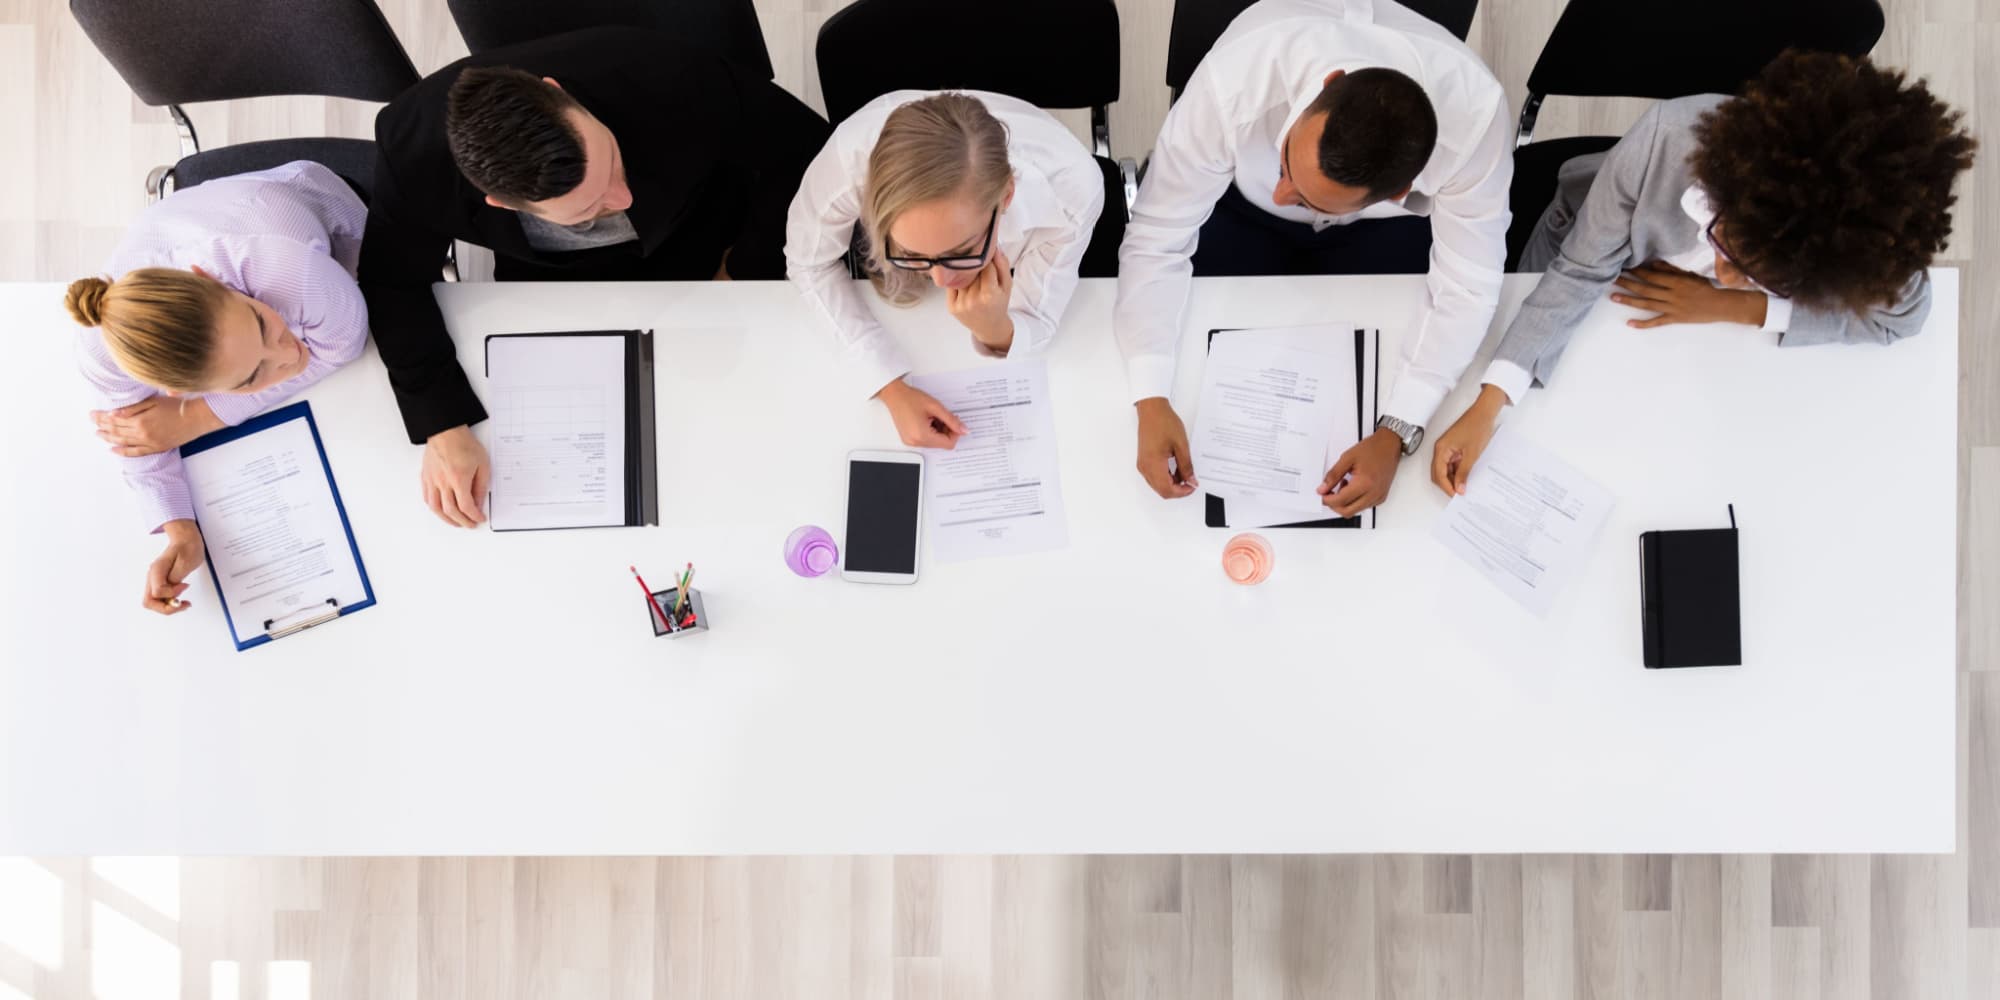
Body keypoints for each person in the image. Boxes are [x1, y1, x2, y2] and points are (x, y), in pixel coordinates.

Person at [1429, 51, 1977, 496]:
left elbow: (1905, 318)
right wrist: (1489, 401)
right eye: (1723, 242)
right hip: (1591, 247)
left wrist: (1736, 306)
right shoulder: (1666, 140)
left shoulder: (1863, 251)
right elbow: (1576, 271)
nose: (1720, 272)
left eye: (1759, 275)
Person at [359, 28, 830, 527]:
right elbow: (391, 280)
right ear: (497, 202)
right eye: (589, 207)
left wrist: (742, 268)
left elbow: (807, 155)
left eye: (611, 163)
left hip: (699, 238)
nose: (622, 200)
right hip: (551, 281)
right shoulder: (411, 155)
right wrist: (442, 423)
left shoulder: (674, 74)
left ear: (558, 93)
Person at [1115, 0, 1510, 515]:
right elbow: (1157, 236)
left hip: (1381, 235)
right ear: (1328, 83)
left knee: (1383, 354)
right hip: (1237, 208)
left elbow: (1468, 287)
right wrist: (1149, 396)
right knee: (1196, 357)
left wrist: (1396, 428)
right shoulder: (1237, 78)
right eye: (1285, 161)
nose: (1284, 193)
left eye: (1303, 195)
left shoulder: (1476, 122)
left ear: (1399, 191)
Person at [62, 161, 369, 617]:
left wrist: (198, 418)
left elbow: (340, 346)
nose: (289, 357)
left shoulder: (287, 270)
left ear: (210, 280)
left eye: (262, 323)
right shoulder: (105, 349)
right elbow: (138, 435)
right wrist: (180, 530)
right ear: (170, 388)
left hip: (323, 209)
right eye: (250, 377)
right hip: (194, 222)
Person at [787, 90, 1105, 447]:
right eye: (910, 252)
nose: (941, 281)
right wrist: (889, 388)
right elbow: (806, 260)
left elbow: (1040, 318)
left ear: (1006, 197)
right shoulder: (849, 160)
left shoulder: (1072, 191)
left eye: (962, 251)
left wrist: (995, 329)